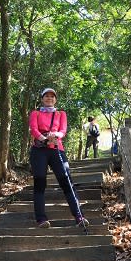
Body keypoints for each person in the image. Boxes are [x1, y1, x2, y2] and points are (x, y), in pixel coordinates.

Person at [28, 87, 88, 230]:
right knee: (40, 182)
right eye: (46, 96)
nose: (49, 98)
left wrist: (55, 136)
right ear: (42, 99)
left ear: (55, 99)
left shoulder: (61, 114)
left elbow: (63, 130)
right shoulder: (35, 113)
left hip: (56, 149)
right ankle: (41, 219)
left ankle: (79, 216)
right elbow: (34, 129)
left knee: (66, 180)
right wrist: (44, 139)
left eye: (52, 96)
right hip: (39, 150)